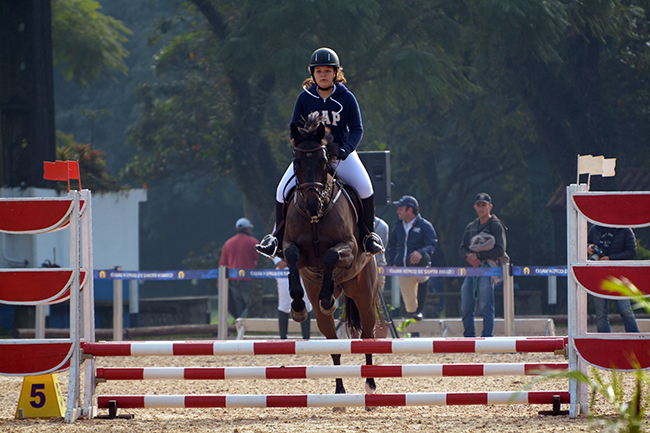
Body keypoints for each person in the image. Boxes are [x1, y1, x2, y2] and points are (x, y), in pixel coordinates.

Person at [255, 47, 384, 259]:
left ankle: (369, 237)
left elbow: (357, 129)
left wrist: (346, 149)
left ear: (335, 73)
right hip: (312, 157)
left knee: (365, 188)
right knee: (281, 191)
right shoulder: (304, 98)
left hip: (340, 154)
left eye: (327, 71)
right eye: (319, 71)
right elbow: (294, 127)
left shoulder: (346, 98)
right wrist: (301, 144)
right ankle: (276, 239)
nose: (323, 75)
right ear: (313, 74)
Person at [459, 193, 507, 338]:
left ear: (490, 207)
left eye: (484, 205)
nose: (481, 208)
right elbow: (462, 248)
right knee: (466, 306)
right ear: (475, 207)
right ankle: (469, 336)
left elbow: (500, 250)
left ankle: (487, 336)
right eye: (478, 205)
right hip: (472, 270)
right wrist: (469, 257)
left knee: (486, 305)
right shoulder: (470, 227)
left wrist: (478, 256)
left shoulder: (496, 225)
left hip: (487, 270)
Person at [386, 195, 437, 320]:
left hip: (420, 264)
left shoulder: (425, 225)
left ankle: (420, 311)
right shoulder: (398, 226)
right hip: (403, 267)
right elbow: (391, 245)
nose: (398, 211)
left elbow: (432, 243)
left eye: (400, 208)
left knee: (422, 276)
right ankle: (414, 321)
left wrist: (421, 252)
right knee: (410, 305)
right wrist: (393, 261)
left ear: (410, 209)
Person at [588, 224, 640, 333]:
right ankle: (604, 342)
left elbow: (632, 252)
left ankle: (635, 339)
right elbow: (584, 245)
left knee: (625, 310)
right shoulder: (595, 228)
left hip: (619, 275)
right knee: (601, 314)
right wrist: (588, 247)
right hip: (598, 274)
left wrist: (610, 258)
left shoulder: (625, 229)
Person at [219, 218, 259, 320]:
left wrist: (219, 281)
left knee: (238, 303)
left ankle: (238, 322)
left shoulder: (228, 243)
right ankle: (242, 321)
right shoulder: (253, 242)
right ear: (248, 229)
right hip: (248, 278)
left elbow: (223, 263)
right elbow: (259, 260)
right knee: (249, 302)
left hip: (232, 278)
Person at [274, 256, 312, 339]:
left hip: (302, 268)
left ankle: (306, 338)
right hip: (284, 270)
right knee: (284, 304)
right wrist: (277, 261)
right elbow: (271, 247)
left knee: (306, 302)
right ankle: (283, 338)